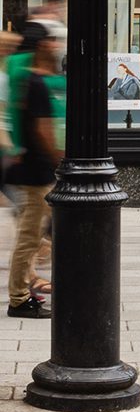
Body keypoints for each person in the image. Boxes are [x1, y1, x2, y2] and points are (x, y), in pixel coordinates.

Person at [6, 22, 61, 319]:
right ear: (40, 46)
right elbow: (43, 130)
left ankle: (25, 290)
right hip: (35, 173)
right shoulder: (34, 83)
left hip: (31, 170)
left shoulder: (24, 80)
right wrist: (56, 158)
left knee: (33, 236)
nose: (55, 45)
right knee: (28, 238)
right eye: (51, 41)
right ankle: (18, 299)